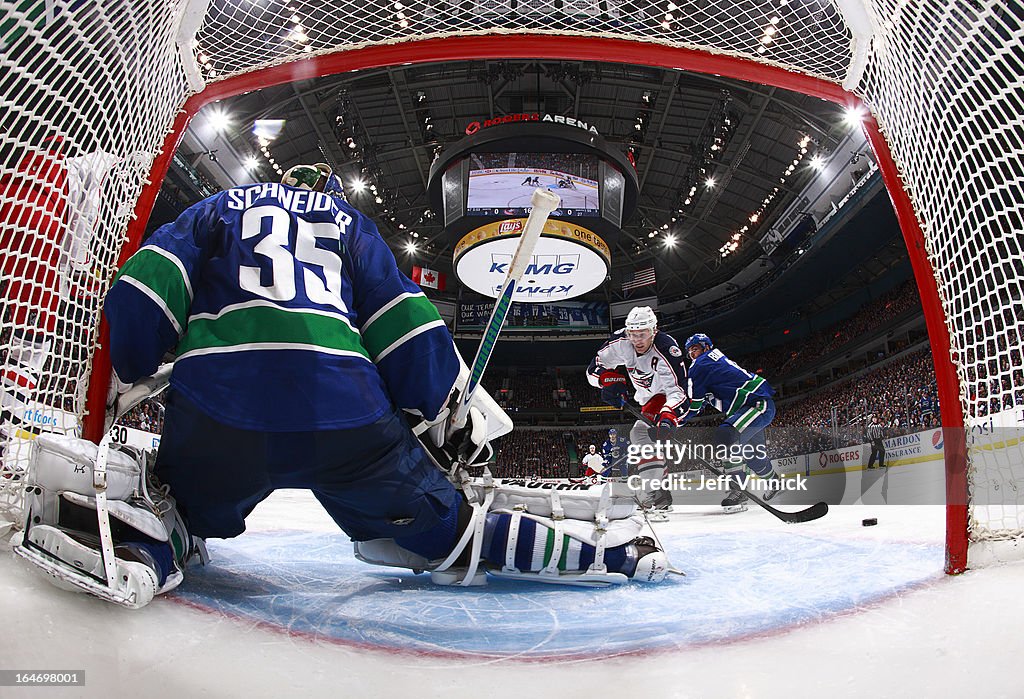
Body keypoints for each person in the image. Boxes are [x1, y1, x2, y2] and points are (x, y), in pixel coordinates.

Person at [12, 163, 666, 607]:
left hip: (221, 407)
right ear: (328, 189)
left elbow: (143, 291)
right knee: (452, 530)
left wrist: (134, 356)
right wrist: (443, 412)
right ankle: (610, 558)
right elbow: (407, 327)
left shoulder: (216, 209)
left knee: (185, 504)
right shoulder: (349, 224)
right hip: (346, 417)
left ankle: (154, 542)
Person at [586, 306, 687, 518]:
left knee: (640, 434)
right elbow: (592, 369)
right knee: (647, 439)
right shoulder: (621, 341)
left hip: (670, 397)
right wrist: (606, 380)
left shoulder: (666, 348)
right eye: (633, 334)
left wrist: (668, 414)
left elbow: (679, 392)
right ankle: (661, 495)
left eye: (643, 334)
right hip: (648, 399)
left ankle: (651, 494)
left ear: (654, 330)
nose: (637, 339)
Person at [682, 333, 780, 512]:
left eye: (695, 349)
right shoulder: (712, 364)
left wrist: (676, 421)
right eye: (689, 352)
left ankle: (738, 490)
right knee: (754, 458)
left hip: (756, 406)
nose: (692, 354)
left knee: (725, 435)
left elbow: (694, 405)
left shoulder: (700, 365)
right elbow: (704, 399)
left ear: (706, 347)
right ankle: (775, 482)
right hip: (751, 409)